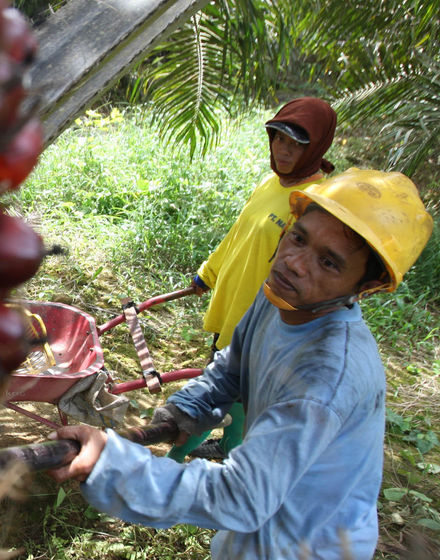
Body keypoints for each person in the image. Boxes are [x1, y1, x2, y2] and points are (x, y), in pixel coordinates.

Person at [47, 168, 434, 559]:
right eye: (298, 238)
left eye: (329, 263)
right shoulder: (280, 297)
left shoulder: (327, 375)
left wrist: (113, 464)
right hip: (260, 524)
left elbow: (242, 496)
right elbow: (233, 365)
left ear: (364, 287)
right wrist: (190, 409)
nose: (296, 262)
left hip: (310, 545)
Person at [171, 96, 338, 462]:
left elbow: (306, 281)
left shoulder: (314, 204)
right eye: (279, 139)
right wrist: (208, 273)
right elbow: (239, 235)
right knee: (235, 391)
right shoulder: (271, 183)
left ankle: (173, 461)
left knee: (215, 392)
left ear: (318, 147)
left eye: (297, 144)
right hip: (235, 305)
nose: (284, 151)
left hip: (262, 323)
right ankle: (230, 448)